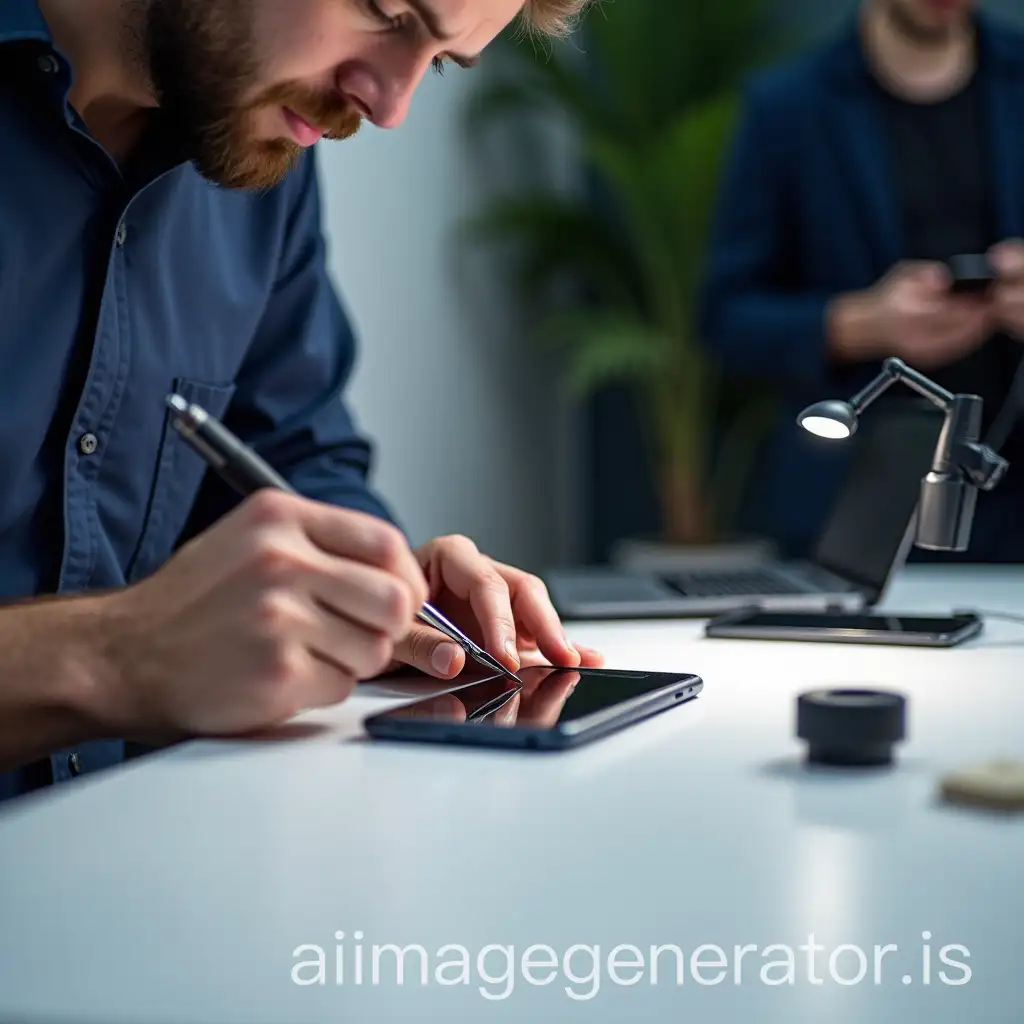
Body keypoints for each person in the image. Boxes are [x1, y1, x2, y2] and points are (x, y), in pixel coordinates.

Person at [0, 0, 603, 802]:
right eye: (385, 9)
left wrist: (373, 595)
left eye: (442, 60)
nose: (389, 106)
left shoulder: (255, 148)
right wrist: (114, 654)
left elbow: (294, 457)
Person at [699, 0, 1024, 561]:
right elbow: (725, 317)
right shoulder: (789, 106)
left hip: (1011, 485)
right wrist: (858, 324)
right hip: (853, 503)